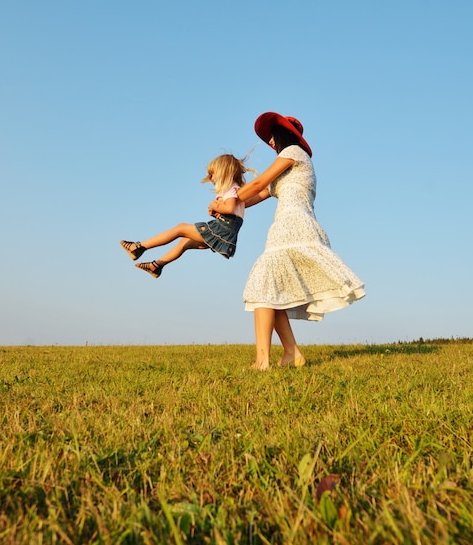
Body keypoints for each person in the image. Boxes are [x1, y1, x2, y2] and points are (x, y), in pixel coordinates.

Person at [237, 112, 365, 369]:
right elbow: (257, 194)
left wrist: (231, 197)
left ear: (284, 134)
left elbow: (259, 181)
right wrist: (226, 206)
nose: (270, 142)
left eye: (272, 137)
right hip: (283, 227)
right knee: (270, 290)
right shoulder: (284, 170)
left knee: (265, 286)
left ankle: (263, 361)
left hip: (294, 225)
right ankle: (291, 353)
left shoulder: (294, 152)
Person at [121, 153, 255, 278]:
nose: (210, 178)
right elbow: (233, 211)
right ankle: (156, 266)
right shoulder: (236, 189)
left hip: (221, 230)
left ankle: (139, 247)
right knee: (184, 242)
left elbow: (230, 208)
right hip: (225, 232)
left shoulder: (230, 187)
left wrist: (215, 206)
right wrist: (217, 212)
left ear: (223, 172)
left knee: (180, 228)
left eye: (212, 174)